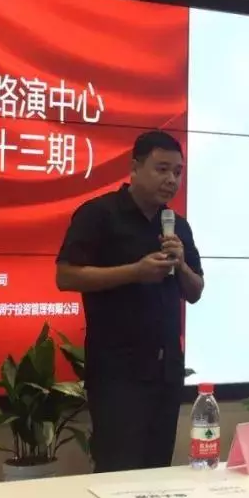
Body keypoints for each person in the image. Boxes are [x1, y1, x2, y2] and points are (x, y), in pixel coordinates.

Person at [55, 131, 204, 472]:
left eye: (178, 172)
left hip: (166, 373)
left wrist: (181, 265)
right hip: (117, 374)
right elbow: (66, 276)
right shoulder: (98, 214)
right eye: (162, 169)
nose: (172, 180)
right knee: (117, 471)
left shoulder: (177, 226)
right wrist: (135, 272)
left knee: (157, 472)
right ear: (135, 168)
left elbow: (195, 292)